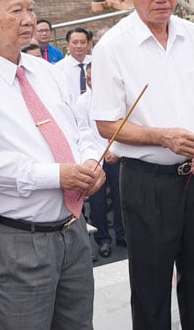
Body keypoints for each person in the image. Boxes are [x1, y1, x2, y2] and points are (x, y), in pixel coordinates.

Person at [0, 0, 105, 329]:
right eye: (16, 10)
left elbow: (79, 128)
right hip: (16, 240)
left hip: (73, 230)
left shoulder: (45, 71)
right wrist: (57, 175)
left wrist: (90, 162)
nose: (29, 19)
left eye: (31, 9)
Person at [91, 0, 194, 330]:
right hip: (148, 183)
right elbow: (106, 123)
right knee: (151, 287)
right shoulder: (112, 48)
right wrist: (161, 137)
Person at [75, 62, 124, 259]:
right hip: (94, 159)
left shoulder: (118, 99)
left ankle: (122, 234)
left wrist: (115, 150)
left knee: (122, 198)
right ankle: (103, 239)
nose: (91, 81)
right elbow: (83, 131)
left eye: (94, 77)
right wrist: (96, 156)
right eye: (88, 78)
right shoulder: (82, 102)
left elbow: (125, 126)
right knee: (97, 203)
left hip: (117, 154)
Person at [55, 27, 92, 103]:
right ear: (68, 45)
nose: (79, 46)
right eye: (75, 42)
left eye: (83, 42)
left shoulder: (96, 62)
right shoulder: (58, 68)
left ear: (88, 44)